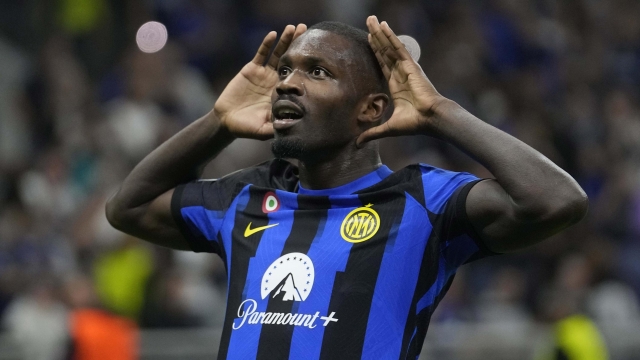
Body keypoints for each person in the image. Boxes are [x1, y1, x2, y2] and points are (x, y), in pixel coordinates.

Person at [106, 16, 588, 360]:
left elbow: (556, 201)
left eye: (318, 72)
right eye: (287, 70)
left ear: (371, 108)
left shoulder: (423, 202)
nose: (288, 84)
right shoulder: (246, 198)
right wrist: (218, 123)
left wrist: (441, 113)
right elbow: (128, 208)